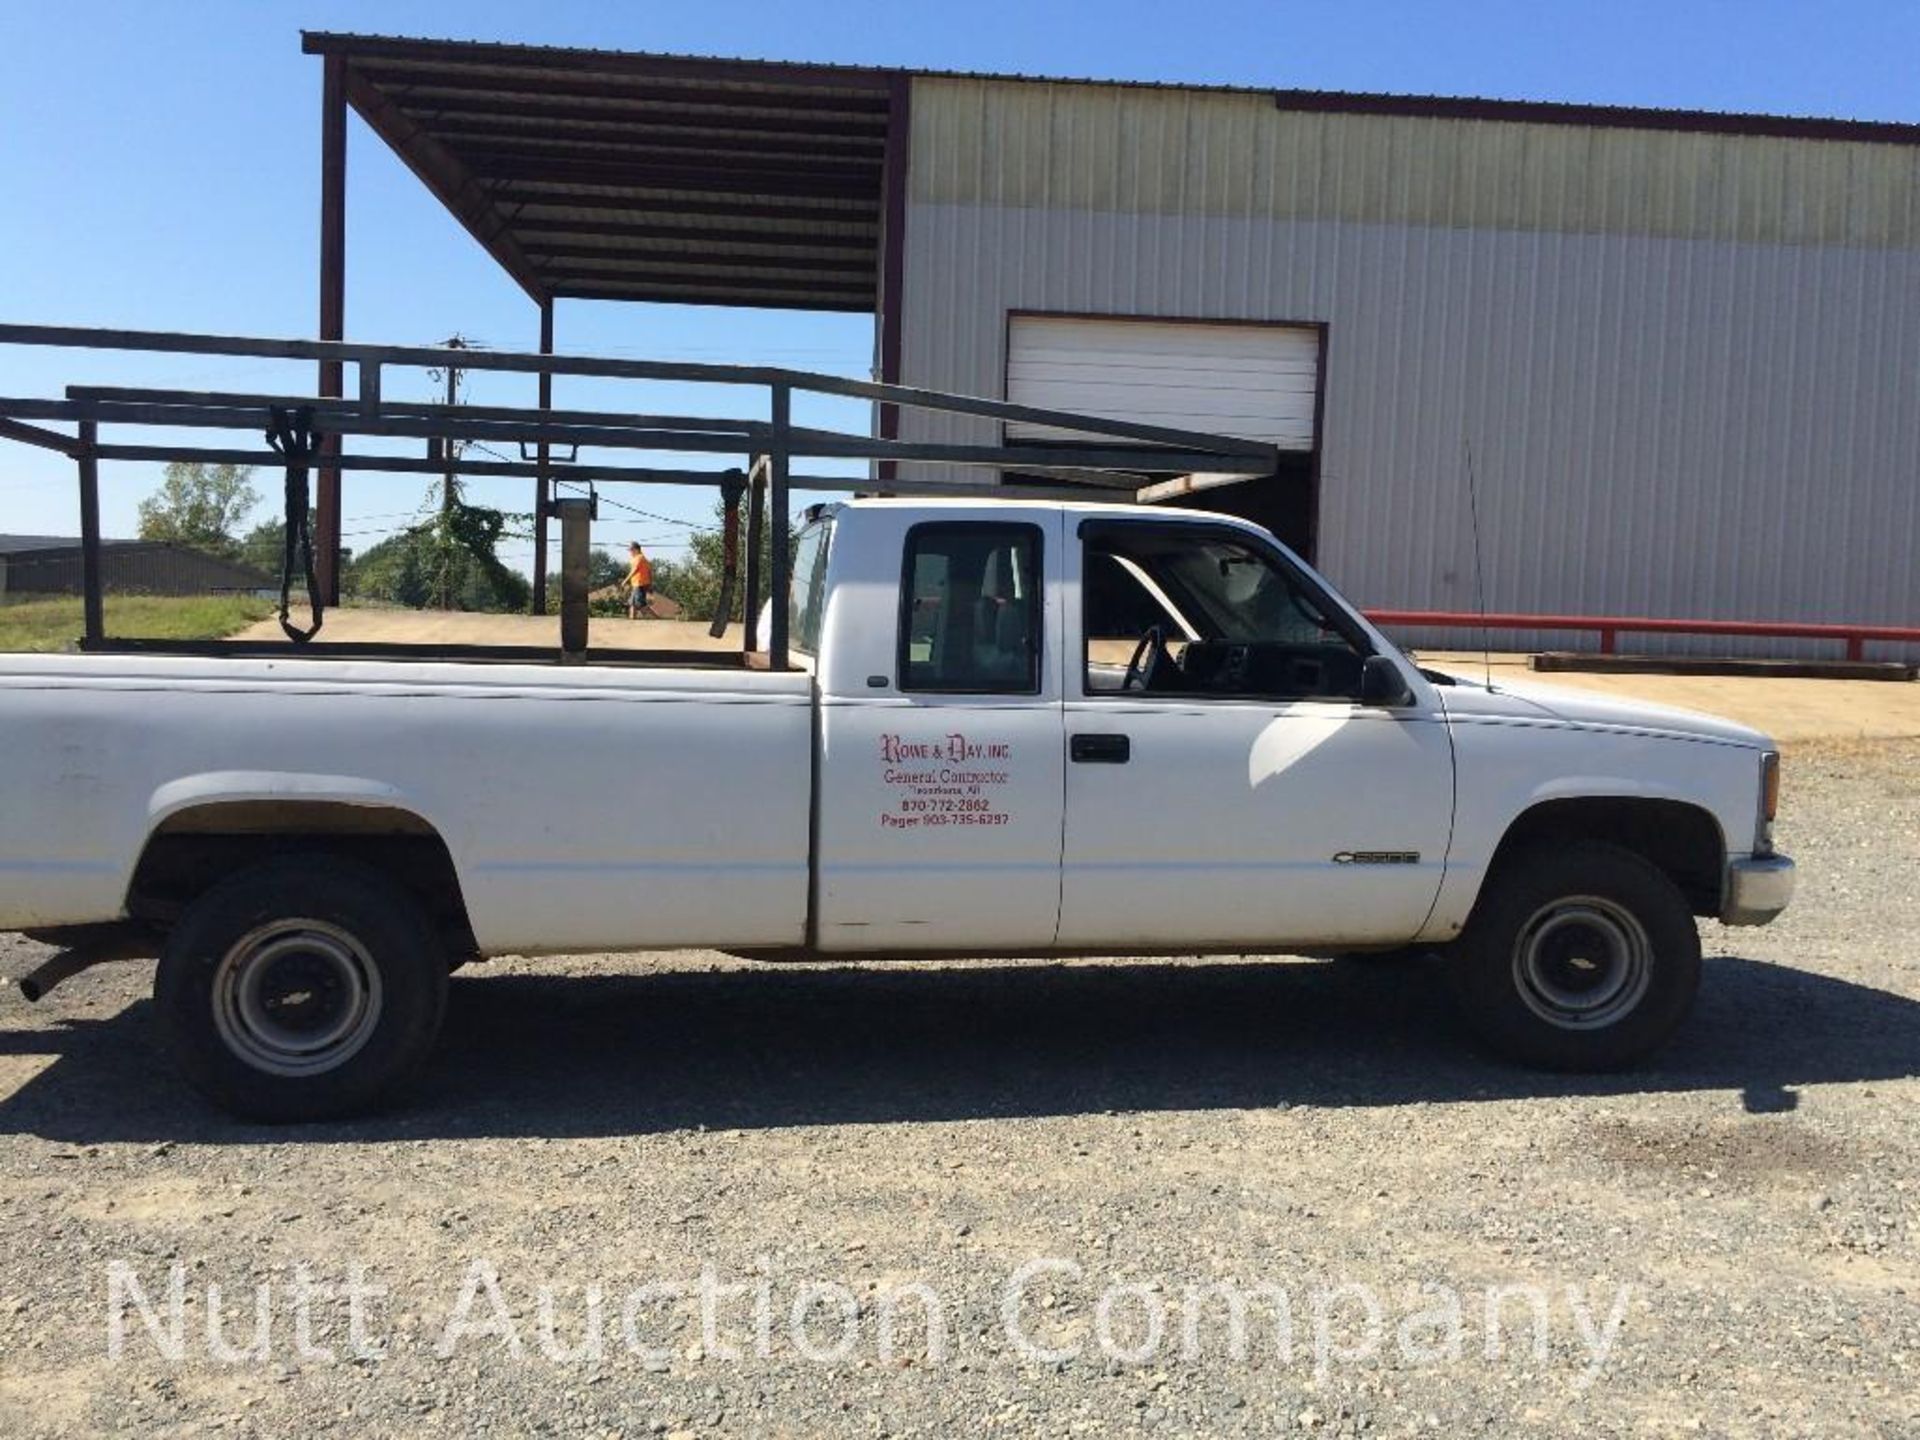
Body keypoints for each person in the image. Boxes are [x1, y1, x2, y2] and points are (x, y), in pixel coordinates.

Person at [625, 542, 655, 619]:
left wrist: (625, 580)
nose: (630, 552)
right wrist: (650, 583)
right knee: (632, 603)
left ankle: (656, 617)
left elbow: (634, 570)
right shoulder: (642, 558)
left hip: (640, 583)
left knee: (641, 604)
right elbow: (650, 571)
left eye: (631, 550)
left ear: (636, 550)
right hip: (638, 583)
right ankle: (632, 618)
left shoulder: (639, 558)